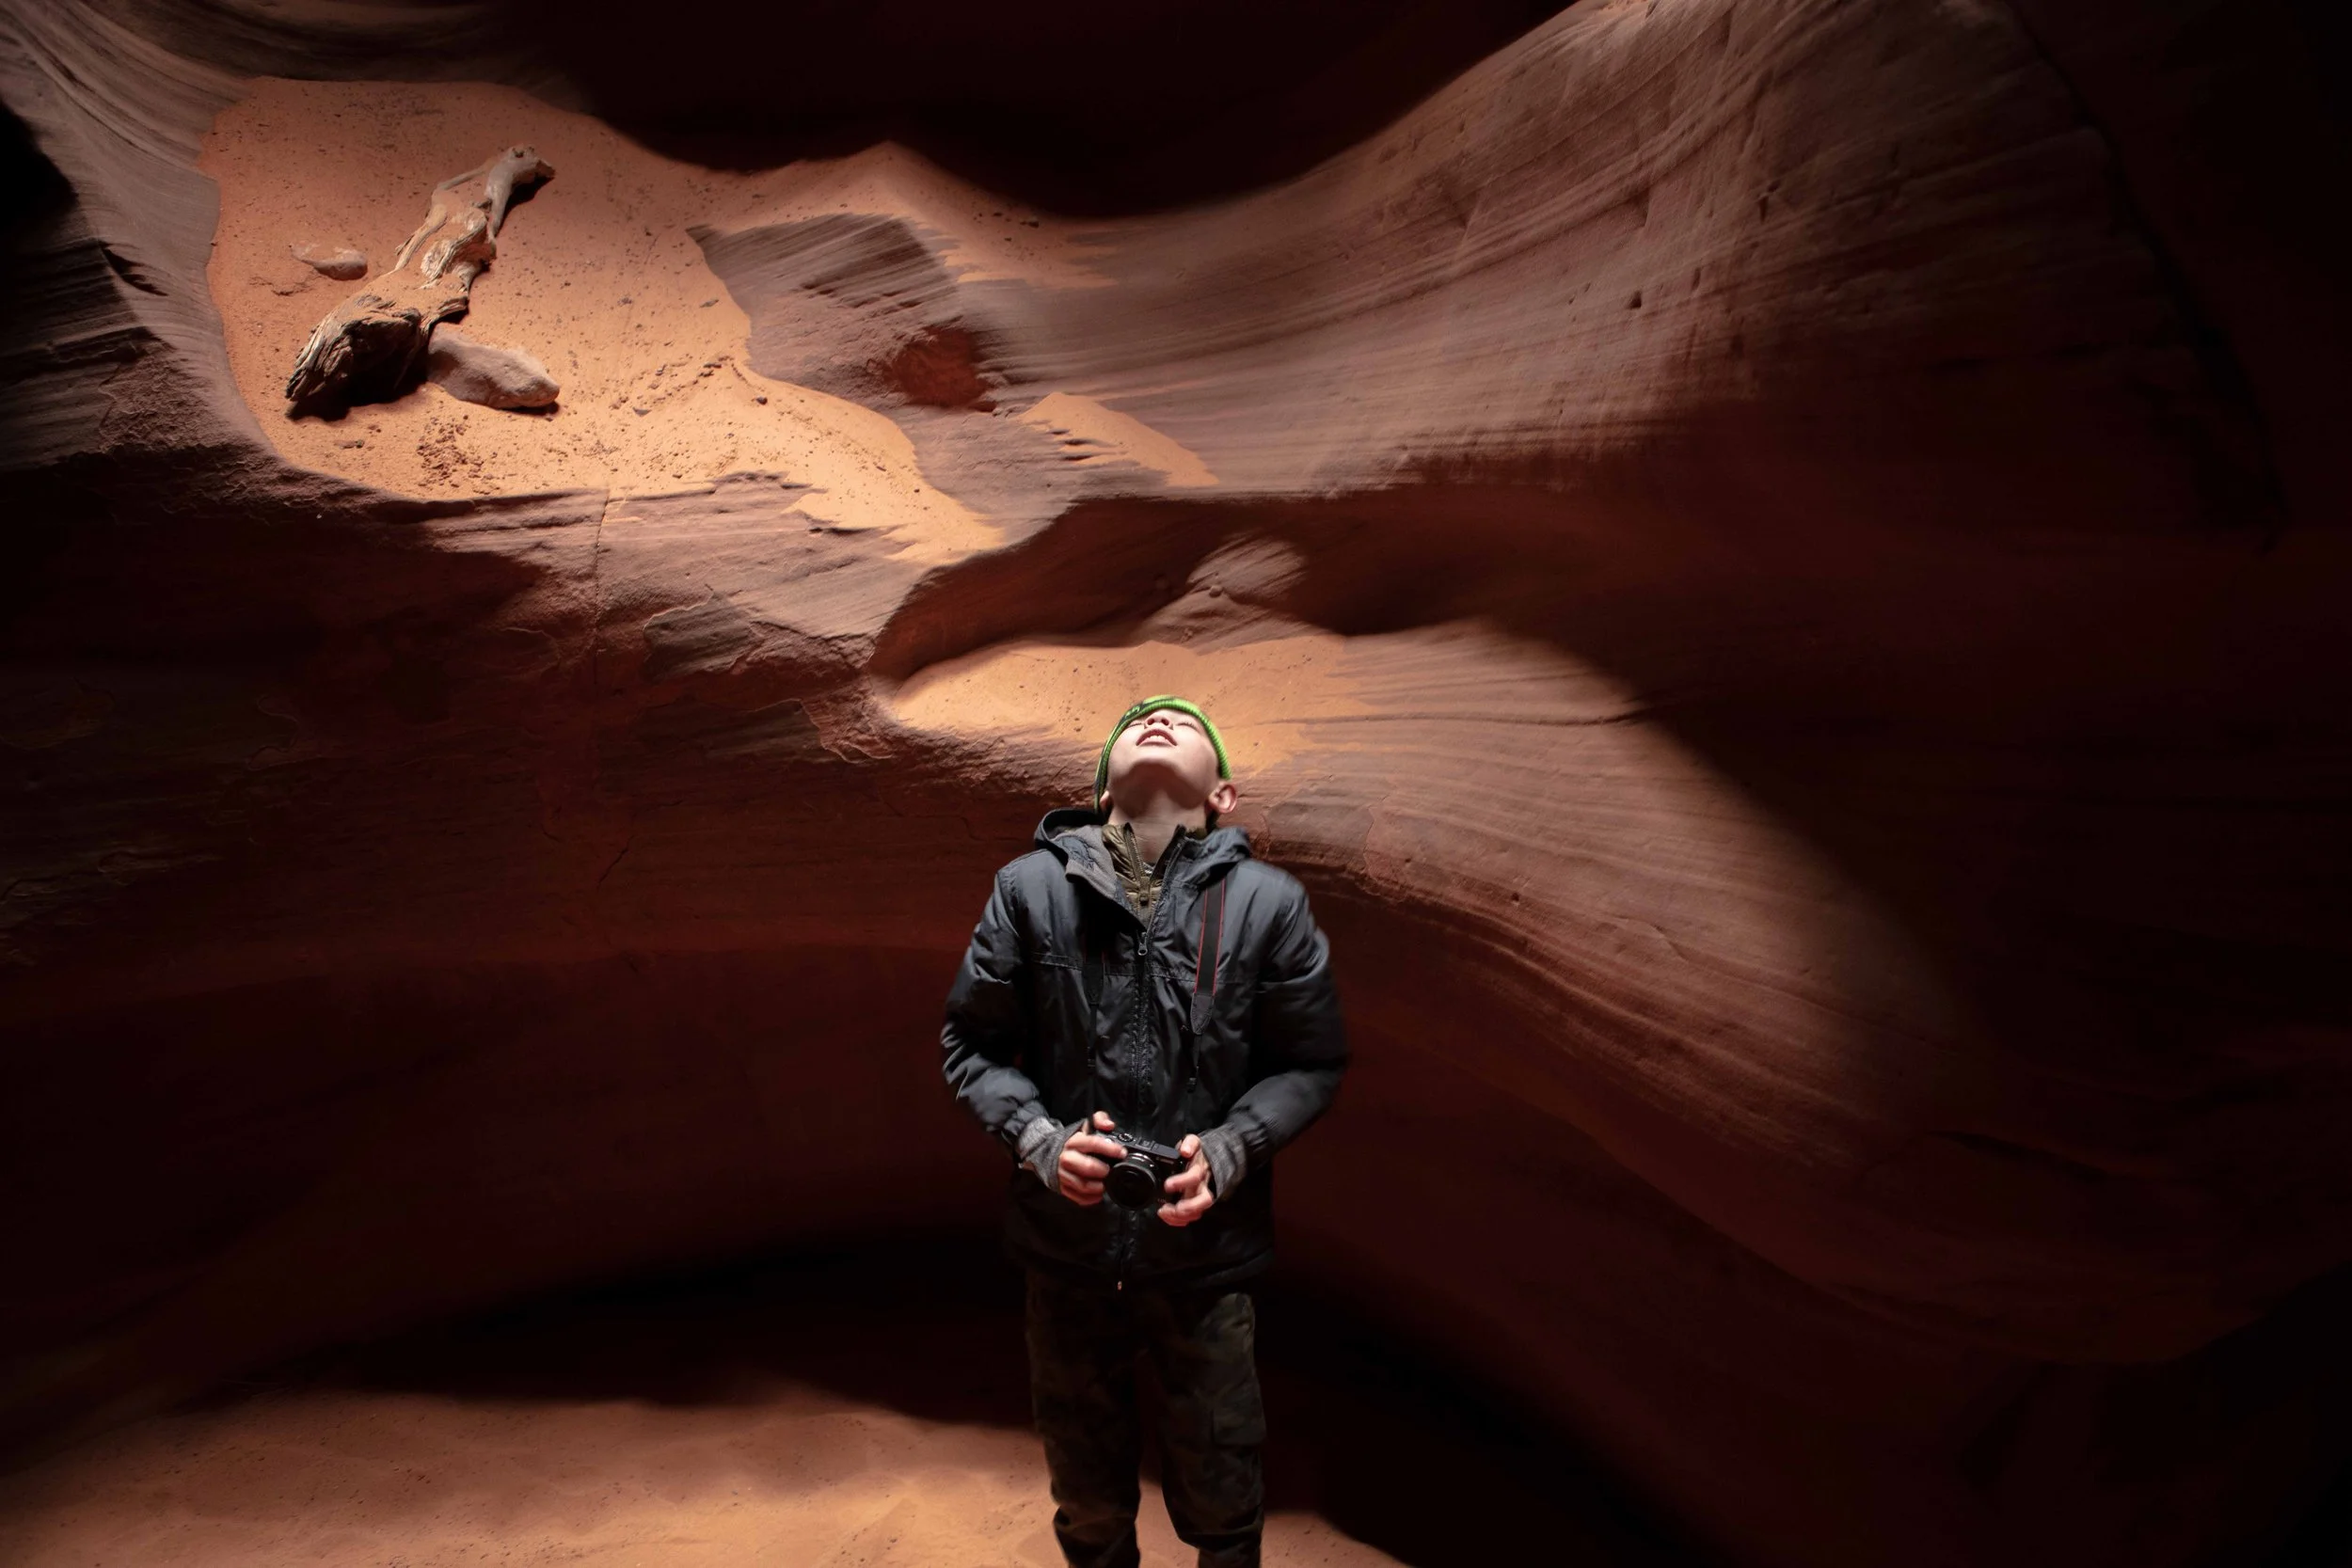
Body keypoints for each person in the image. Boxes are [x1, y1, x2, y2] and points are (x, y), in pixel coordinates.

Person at [941, 695, 1349, 1568]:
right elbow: (971, 1043)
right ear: (1100, 791)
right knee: (1087, 1501)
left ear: (1224, 795)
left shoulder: (1269, 904)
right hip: (1067, 1256)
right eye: (1135, 721)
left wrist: (1235, 1146)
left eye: (1186, 723)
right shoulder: (1031, 887)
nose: (1157, 719)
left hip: (1205, 1260)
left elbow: (1310, 1062)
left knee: (1225, 1493)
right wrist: (1041, 1141)